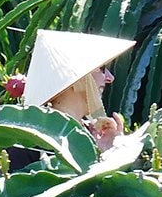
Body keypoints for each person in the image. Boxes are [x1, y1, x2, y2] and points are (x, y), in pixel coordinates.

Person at [8, 29, 135, 170]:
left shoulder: (96, 134)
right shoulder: (28, 143)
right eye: (101, 69)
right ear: (77, 79)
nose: (110, 78)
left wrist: (112, 150)